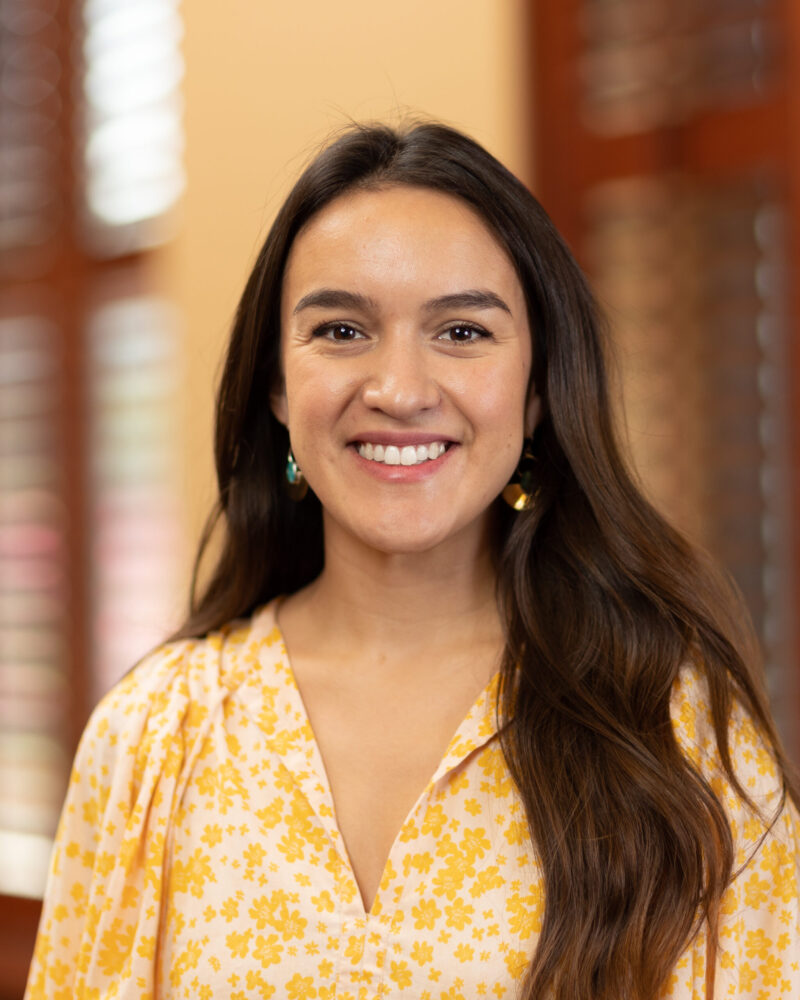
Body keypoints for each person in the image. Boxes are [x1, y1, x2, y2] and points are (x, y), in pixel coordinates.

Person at [25, 121, 800, 1000]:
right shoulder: (155, 737)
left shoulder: (674, 726)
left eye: (463, 332)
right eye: (343, 330)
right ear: (277, 385)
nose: (397, 389)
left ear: (539, 387)